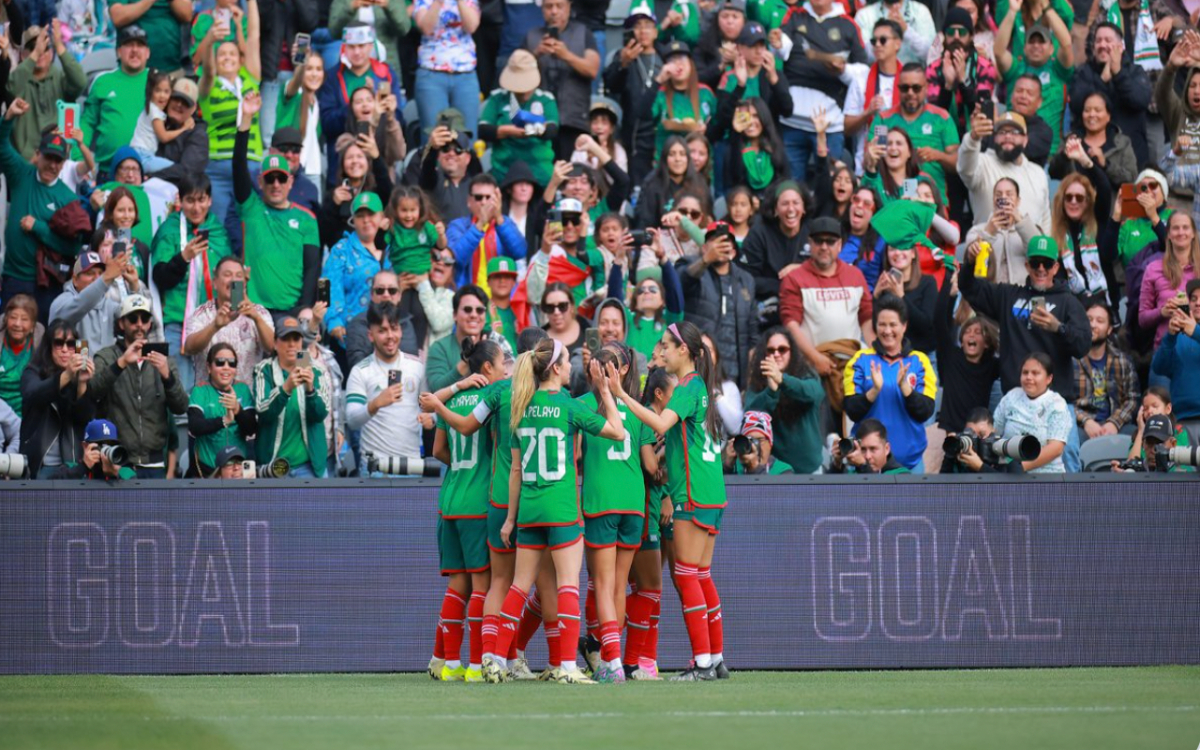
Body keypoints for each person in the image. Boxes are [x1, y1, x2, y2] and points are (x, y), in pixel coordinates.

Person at [482, 337, 625, 684]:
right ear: (557, 368)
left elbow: (515, 470)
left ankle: (496, 659)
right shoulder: (570, 406)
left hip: (529, 511)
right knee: (567, 586)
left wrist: (511, 519)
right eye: (566, 361)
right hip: (561, 511)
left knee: (518, 587)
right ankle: (566, 666)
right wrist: (607, 392)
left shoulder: (521, 406)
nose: (571, 367)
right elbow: (619, 432)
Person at [418, 326, 549, 682]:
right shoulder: (496, 396)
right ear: (488, 369)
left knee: (456, 586)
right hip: (480, 501)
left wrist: (451, 392)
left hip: (449, 500)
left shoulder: (454, 398)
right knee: (484, 587)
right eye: (502, 362)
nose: (508, 367)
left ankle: (442, 660)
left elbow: (438, 451)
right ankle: (478, 663)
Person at [607, 321, 728, 680]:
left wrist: (623, 395)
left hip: (691, 493)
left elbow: (660, 425)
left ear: (684, 352)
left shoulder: (687, 388)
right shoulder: (700, 387)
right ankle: (716, 658)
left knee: (687, 574)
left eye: (666, 345)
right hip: (712, 491)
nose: (661, 350)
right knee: (702, 575)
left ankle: (703, 663)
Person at [961, 236, 1090, 470]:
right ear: (1027, 265)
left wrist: (1058, 328)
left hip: (1055, 402)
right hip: (1014, 400)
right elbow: (969, 288)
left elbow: (1083, 346)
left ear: (1056, 267)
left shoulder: (1068, 302)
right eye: (1036, 262)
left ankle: (1071, 507)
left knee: (1068, 457)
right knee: (1004, 459)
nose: (1041, 269)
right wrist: (969, 262)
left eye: (1047, 264)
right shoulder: (1008, 295)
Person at [576, 344, 656, 682]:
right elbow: (651, 464)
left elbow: (575, 457)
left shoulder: (581, 404)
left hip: (601, 501)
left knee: (604, 584)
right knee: (619, 585)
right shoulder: (637, 409)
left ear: (621, 370)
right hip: (633, 505)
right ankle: (616, 659)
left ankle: (612, 663)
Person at [233, 95, 321, 322]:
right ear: (260, 182)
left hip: (290, 313)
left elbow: (312, 269)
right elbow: (238, 166)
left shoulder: (307, 219)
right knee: (234, 353)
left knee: (302, 353)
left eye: (281, 179)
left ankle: (304, 355)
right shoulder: (250, 207)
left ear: (291, 182)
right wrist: (246, 120)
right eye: (269, 179)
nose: (275, 185)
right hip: (250, 309)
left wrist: (305, 307)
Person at [89, 295, 189, 478]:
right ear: (122, 323)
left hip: (156, 463)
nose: (139, 324)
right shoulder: (107, 356)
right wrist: (121, 363)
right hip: (119, 461)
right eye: (133, 319)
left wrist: (167, 376)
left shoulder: (165, 360)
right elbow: (92, 392)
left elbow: (181, 406)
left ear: (150, 323)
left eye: (144, 319)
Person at [0, 100, 83, 318]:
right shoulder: (22, 174)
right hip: (13, 277)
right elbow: (2, 146)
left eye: (58, 160)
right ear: (38, 154)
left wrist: (39, 228)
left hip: (47, 283)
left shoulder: (67, 198)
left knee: (43, 340)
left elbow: (73, 246)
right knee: (7, 334)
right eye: (48, 157)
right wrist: (8, 118)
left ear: (65, 163)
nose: (52, 165)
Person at [151, 175, 232, 393]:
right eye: (190, 201)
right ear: (180, 200)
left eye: (201, 200)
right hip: (179, 324)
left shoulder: (218, 232)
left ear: (210, 200)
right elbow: (161, 278)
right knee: (180, 391)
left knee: (213, 392)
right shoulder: (169, 230)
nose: (196, 207)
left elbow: (228, 276)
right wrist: (183, 258)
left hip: (213, 323)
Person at [775, 0, 868, 182]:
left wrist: (843, 70)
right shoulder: (794, 15)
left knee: (831, 184)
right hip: (792, 121)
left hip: (830, 124)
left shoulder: (849, 24)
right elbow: (782, 49)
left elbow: (863, 71)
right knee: (791, 188)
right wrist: (777, 43)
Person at [843, 293, 937, 470]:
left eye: (893, 325)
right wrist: (874, 391)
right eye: (882, 325)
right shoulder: (860, 360)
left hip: (910, 464)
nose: (887, 331)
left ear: (904, 326)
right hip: (865, 464)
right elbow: (852, 411)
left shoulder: (920, 361)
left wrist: (906, 390)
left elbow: (925, 412)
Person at [779, 216, 874, 381]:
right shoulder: (795, 278)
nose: (824, 247)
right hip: (811, 366)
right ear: (810, 244)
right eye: (818, 241)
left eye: (830, 241)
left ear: (840, 245)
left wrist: (876, 355)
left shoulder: (855, 275)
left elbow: (866, 319)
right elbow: (790, 325)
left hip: (852, 365)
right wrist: (815, 358)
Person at [318, 23, 405, 190]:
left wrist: (389, 112)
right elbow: (327, 124)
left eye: (361, 46)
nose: (357, 52)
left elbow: (400, 120)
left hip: (381, 165)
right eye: (351, 47)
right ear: (344, 48)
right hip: (342, 168)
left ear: (371, 46)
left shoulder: (385, 73)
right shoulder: (333, 77)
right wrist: (354, 109)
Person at [197, 0, 262, 225]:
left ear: (240, 60)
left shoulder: (251, 78)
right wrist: (210, 42)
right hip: (218, 166)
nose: (227, 57)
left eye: (232, 54)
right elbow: (206, 70)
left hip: (251, 162)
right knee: (218, 226)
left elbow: (253, 36)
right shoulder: (208, 85)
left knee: (252, 224)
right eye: (221, 54)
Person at [346, 301, 428, 470]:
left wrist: (431, 419)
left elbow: (432, 411)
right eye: (382, 331)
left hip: (412, 466)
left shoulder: (417, 367)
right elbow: (352, 420)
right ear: (370, 335)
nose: (390, 335)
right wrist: (375, 404)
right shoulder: (361, 371)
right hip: (374, 469)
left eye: (394, 328)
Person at [679, 222, 758, 388]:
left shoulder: (746, 279)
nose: (721, 245)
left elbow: (752, 330)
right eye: (715, 241)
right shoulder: (690, 264)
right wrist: (706, 259)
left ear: (734, 251)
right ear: (704, 247)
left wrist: (750, 374)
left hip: (734, 374)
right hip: (697, 369)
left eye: (726, 241)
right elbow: (679, 284)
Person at [868, 64, 959, 203]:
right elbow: (873, 157)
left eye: (916, 88)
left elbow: (959, 164)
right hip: (892, 198)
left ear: (926, 88)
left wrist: (938, 156)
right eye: (905, 88)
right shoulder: (883, 119)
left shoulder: (942, 118)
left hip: (932, 199)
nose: (910, 93)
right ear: (897, 89)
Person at [252, 316, 329, 478]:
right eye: (286, 338)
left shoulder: (316, 370)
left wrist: (310, 390)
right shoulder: (264, 369)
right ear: (274, 343)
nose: (292, 344)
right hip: (274, 466)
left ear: (302, 342)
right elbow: (262, 411)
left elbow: (321, 414)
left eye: (296, 338)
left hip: (309, 466)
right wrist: (285, 388)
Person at [1069, 21, 1152, 169]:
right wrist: (1102, 80)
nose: (1102, 45)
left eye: (1108, 40)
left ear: (1121, 46)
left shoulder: (1135, 72)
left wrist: (1118, 73)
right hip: (1089, 158)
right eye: (1098, 41)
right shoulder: (1084, 72)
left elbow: (1141, 100)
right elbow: (1076, 104)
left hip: (1130, 159)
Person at [182, 256, 275, 388]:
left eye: (238, 276)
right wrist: (215, 326)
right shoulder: (202, 313)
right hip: (209, 399)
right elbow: (189, 348)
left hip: (247, 400)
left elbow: (271, 348)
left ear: (244, 282)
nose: (233, 280)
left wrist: (256, 319)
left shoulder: (260, 312)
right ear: (215, 283)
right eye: (227, 275)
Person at [523, 0, 600, 158]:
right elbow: (515, 75)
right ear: (542, 9)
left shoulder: (584, 33)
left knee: (572, 176)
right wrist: (535, 54)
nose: (554, 11)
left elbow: (592, 70)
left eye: (559, 6)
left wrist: (566, 55)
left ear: (569, 7)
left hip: (573, 121)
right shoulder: (531, 36)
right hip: (538, 122)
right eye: (549, 6)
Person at [19, 320, 96, 478]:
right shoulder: (32, 372)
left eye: (71, 344)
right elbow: (34, 395)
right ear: (49, 346)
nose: (65, 350)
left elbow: (85, 419)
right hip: (41, 464)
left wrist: (82, 383)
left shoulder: (78, 379)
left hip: (73, 464)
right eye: (59, 343)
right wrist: (67, 375)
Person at [742, 327, 824, 472]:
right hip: (777, 471)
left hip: (811, 469)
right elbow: (751, 414)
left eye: (782, 349)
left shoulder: (806, 373)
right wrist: (771, 392)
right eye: (771, 350)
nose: (776, 354)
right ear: (764, 354)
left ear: (792, 352)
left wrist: (782, 380)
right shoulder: (757, 381)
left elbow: (815, 393)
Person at [995, 9, 1072, 156]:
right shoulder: (1016, 69)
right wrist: (1011, 11)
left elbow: (1067, 45)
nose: (1036, 45)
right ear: (1024, 48)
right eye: (1031, 41)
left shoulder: (1059, 71)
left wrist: (1047, 9)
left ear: (1051, 49)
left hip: (1049, 158)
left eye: (1041, 41)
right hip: (1011, 154)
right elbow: (998, 52)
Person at [933, 263, 999, 434]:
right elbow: (939, 320)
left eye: (978, 333)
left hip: (977, 433)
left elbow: (1008, 343)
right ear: (961, 341)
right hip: (950, 433)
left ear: (986, 343)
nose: (971, 335)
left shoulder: (991, 365)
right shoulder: (951, 357)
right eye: (967, 332)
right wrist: (949, 284)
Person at [958, 108, 1050, 231]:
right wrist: (973, 138)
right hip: (988, 247)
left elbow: (1046, 220)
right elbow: (965, 168)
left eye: (1015, 132)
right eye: (1001, 132)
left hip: (1030, 249)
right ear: (994, 138)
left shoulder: (1038, 173)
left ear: (1025, 140)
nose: (1007, 136)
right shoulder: (982, 163)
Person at [6, 21, 85, 161]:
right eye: (33, 47)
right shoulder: (19, 78)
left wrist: (59, 46)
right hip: (27, 165)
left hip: (59, 159)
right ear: (23, 55)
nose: (41, 51)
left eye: (46, 47)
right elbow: (10, 89)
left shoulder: (60, 77)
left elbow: (81, 82)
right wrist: (36, 53)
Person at [479, 51, 560, 187]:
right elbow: (483, 129)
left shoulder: (546, 99)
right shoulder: (498, 98)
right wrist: (507, 131)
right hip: (503, 172)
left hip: (540, 173)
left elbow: (552, 129)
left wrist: (537, 130)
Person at [322, 192, 391, 351]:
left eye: (371, 214)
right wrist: (333, 321)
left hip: (385, 339)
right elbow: (325, 285)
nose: (366, 220)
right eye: (360, 216)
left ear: (381, 217)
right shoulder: (341, 249)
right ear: (353, 220)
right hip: (347, 337)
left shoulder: (391, 248)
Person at [603, 5, 662, 186]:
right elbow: (611, 85)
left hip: (658, 132)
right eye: (637, 26)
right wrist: (623, 64)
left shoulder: (665, 57)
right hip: (631, 135)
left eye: (647, 25)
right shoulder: (622, 56)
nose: (643, 30)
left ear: (656, 31)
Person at [924, 6, 998, 139]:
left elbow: (983, 114)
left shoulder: (985, 67)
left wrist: (964, 81)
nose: (956, 37)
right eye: (951, 32)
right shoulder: (933, 69)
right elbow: (934, 118)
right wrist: (947, 86)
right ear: (945, 37)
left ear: (971, 37)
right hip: (943, 138)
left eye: (962, 32)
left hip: (977, 137)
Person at [187, 343, 257, 478]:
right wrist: (224, 420)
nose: (226, 367)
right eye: (220, 362)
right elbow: (194, 426)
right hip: (208, 467)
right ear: (209, 367)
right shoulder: (200, 390)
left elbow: (251, 429)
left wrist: (237, 410)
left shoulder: (242, 389)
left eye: (231, 363)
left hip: (237, 469)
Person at [993, 352, 1071, 473]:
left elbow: (1056, 448)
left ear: (1049, 378)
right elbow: (994, 432)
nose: (1028, 377)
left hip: (1047, 477)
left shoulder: (1056, 404)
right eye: (1025, 372)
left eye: (1035, 373)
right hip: (1009, 474)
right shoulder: (1011, 397)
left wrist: (1021, 467)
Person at [412, 0, 481, 136]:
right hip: (431, 74)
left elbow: (472, 27)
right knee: (433, 135)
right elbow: (426, 28)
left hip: (465, 74)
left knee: (467, 135)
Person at [1074, 302, 1139, 442]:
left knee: (1137, 435)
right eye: (1089, 319)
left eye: (1100, 321)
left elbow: (1132, 399)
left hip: (1115, 423)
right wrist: (1086, 421)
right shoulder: (1072, 360)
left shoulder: (1122, 360)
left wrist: (1114, 423)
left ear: (1109, 329)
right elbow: (1063, 401)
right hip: (1081, 425)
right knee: (1069, 437)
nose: (1093, 325)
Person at [844, 20, 903, 171]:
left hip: (904, 167)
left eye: (883, 40)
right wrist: (867, 113)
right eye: (873, 41)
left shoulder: (910, 81)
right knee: (867, 194)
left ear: (897, 44)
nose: (877, 45)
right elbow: (845, 127)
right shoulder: (861, 79)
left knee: (908, 195)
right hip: (867, 165)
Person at [448, 175, 527, 289]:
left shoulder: (505, 223)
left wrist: (499, 218)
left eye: (489, 197)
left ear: (498, 200)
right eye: (478, 197)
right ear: (469, 201)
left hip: (500, 300)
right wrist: (480, 223)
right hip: (468, 301)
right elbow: (456, 259)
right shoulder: (457, 226)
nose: (484, 202)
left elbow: (520, 251)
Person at [1049, 172, 1116, 305]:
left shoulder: (1099, 224)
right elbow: (1059, 280)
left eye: (1079, 198)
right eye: (1068, 197)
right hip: (1074, 309)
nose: (1073, 202)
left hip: (1105, 309)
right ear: (1062, 201)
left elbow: (1104, 188)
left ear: (1088, 202)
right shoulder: (1057, 236)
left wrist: (1087, 164)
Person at [963, 177, 1041, 286]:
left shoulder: (1029, 228)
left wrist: (1020, 221)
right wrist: (988, 233)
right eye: (998, 195)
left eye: (1009, 194)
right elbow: (971, 264)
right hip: (989, 296)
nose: (1004, 198)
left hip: (1022, 296)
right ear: (993, 201)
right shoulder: (977, 231)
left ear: (1018, 201)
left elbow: (1039, 252)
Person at [1049, 93, 1137, 189]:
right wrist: (1064, 156)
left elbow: (1131, 179)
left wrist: (1106, 164)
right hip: (1075, 201)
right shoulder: (1071, 140)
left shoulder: (1122, 143)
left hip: (1110, 203)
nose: (1091, 114)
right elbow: (1053, 173)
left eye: (1097, 110)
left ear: (1108, 116)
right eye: (1087, 110)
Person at [1138, 212, 1200, 348]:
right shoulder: (1153, 269)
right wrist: (1163, 311)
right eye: (1176, 228)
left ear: (1194, 233)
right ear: (1169, 235)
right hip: (1166, 351)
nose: (1180, 232)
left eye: (1185, 227)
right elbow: (1142, 319)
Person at [405, 118, 484, 222]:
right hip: (441, 237)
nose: (451, 153)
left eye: (458, 150)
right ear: (438, 156)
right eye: (445, 149)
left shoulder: (476, 184)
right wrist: (431, 148)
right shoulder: (433, 180)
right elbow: (425, 168)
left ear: (468, 158)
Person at [1150, 279, 1200, 441]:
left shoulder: (1193, 331)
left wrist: (1196, 331)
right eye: (1193, 299)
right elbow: (1159, 368)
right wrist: (1170, 336)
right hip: (1182, 420)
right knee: (1184, 467)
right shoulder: (1177, 336)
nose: (1198, 303)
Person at [345, 269, 422, 366]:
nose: (386, 295)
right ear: (372, 295)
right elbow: (358, 365)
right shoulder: (359, 323)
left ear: (399, 296)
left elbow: (412, 363)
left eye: (392, 290)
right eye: (380, 290)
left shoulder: (406, 322)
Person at [633, 136, 709, 231]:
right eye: (672, 154)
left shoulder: (699, 183)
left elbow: (707, 219)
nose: (677, 159)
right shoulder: (652, 184)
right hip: (661, 240)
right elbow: (645, 224)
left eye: (682, 154)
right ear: (665, 158)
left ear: (688, 158)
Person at [153, 77, 212, 190]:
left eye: (186, 102)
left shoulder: (198, 135)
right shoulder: (156, 122)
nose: (179, 104)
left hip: (177, 197)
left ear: (193, 108)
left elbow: (186, 171)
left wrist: (150, 176)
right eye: (176, 98)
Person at [854, 0, 934, 66]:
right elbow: (862, 58)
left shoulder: (920, 11)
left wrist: (906, 31)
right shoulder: (864, 15)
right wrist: (885, 32)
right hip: (877, 79)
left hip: (913, 80)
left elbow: (931, 55)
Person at [53, 418, 137, 481]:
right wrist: (83, 467)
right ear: (85, 446)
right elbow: (51, 488)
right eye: (100, 444)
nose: (106, 448)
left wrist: (113, 476)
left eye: (111, 444)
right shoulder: (71, 468)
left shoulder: (126, 472)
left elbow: (132, 500)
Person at [723, 410, 794, 475]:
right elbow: (716, 487)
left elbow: (769, 489)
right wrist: (727, 467)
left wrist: (754, 468)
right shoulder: (735, 467)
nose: (755, 445)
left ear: (770, 444)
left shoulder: (783, 470)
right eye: (750, 440)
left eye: (760, 440)